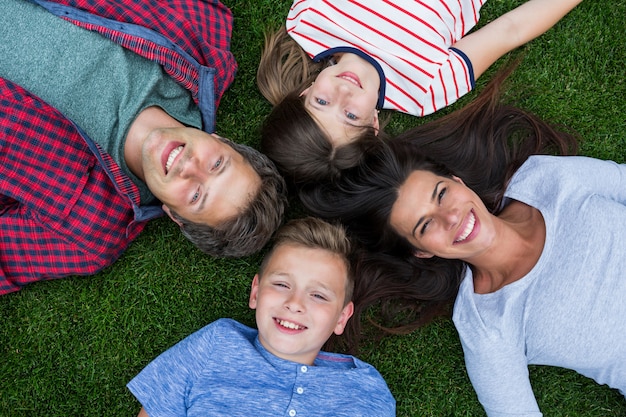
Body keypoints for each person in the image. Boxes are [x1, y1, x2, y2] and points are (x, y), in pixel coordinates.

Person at [298, 69, 626, 415]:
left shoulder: (544, 180)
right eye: (425, 226)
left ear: (457, 180)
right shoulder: (486, 324)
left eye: (441, 193)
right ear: (423, 251)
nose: (450, 217)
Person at [0, 0, 287, 295]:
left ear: (176, 217)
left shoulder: (89, 231)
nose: (190, 167)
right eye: (217, 165)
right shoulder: (199, 43)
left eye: (196, 195)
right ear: (221, 141)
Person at [256, 0, 582, 187]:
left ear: (304, 93)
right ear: (373, 125)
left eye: (322, 102)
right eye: (350, 116)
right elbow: (511, 30)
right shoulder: (424, 89)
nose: (343, 92)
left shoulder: (309, 21)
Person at [126, 217, 396, 417]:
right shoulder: (216, 345)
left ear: (341, 318)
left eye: (318, 295)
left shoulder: (364, 389)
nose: (294, 303)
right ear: (255, 292)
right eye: (281, 284)